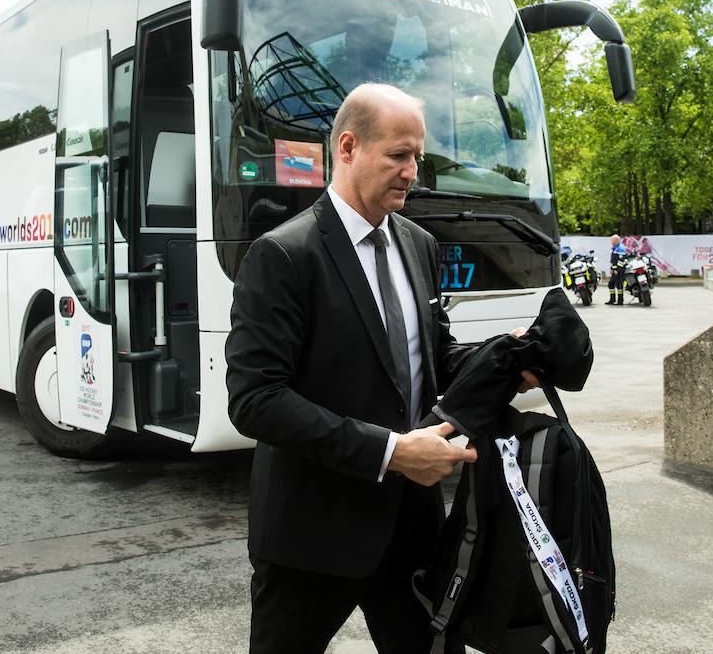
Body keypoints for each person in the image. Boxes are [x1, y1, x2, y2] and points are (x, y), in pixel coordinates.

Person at [226, 83, 537, 653]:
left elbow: (434, 359)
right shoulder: (283, 255)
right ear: (347, 148)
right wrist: (391, 452)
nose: (412, 170)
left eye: (417, 156)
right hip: (311, 537)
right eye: (398, 155)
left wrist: (507, 359)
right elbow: (255, 399)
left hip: (412, 529)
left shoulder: (419, 245)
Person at [605, 234, 627, 305]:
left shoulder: (620, 248)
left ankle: (620, 301)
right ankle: (612, 299)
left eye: (612, 240)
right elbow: (614, 261)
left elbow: (621, 261)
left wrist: (617, 270)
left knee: (619, 285)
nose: (611, 242)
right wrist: (612, 268)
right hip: (615, 270)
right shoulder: (616, 248)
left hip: (619, 270)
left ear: (617, 240)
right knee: (611, 284)